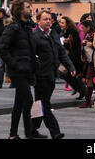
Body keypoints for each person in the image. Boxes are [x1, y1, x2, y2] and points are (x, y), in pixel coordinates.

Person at [0, 0, 39, 139]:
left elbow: (31, 52)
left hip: (27, 70)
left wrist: (33, 72)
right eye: (28, 7)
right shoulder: (13, 27)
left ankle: (13, 135)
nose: (30, 9)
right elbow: (2, 49)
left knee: (19, 103)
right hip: (18, 71)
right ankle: (29, 134)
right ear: (20, 10)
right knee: (28, 100)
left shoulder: (27, 27)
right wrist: (14, 64)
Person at [31, 10, 75, 139]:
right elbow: (31, 57)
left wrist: (70, 66)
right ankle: (55, 132)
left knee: (39, 103)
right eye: (45, 19)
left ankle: (32, 130)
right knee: (45, 103)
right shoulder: (34, 36)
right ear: (38, 21)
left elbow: (61, 52)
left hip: (51, 74)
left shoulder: (54, 34)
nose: (48, 21)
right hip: (40, 75)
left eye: (49, 19)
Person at [59, 16, 85, 100]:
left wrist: (66, 43)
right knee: (68, 75)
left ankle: (82, 91)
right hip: (70, 57)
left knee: (73, 75)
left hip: (74, 57)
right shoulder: (65, 31)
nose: (61, 24)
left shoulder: (71, 31)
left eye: (63, 23)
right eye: (60, 22)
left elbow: (74, 45)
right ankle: (80, 90)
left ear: (67, 23)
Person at [79, 20, 95, 108]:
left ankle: (89, 101)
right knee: (88, 81)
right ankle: (88, 101)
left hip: (93, 61)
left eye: (83, 28)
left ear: (88, 27)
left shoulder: (94, 35)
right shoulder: (87, 35)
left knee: (89, 80)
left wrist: (91, 44)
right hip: (88, 60)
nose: (81, 29)